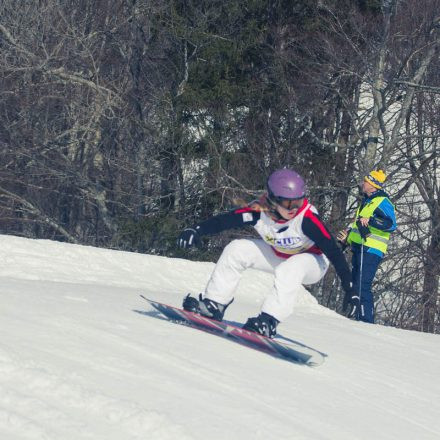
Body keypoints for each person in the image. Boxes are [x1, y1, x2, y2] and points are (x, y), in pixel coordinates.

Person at [176, 168, 355, 338]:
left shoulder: (306, 219)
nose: (294, 207)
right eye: (288, 202)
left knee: (292, 267)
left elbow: (334, 252)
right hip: (280, 255)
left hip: (313, 263)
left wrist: (350, 290)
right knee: (237, 249)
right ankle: (214, 303)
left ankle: (268, 321)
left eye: (298, 201)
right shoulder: (259, 210)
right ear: (273, 200)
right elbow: (226, 220)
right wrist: (196, 230)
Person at [337, 169, 397, 324]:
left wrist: (371, 220)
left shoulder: (382, 201)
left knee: (363, 284)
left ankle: (366, 320)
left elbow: (391, 224)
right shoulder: (366, 201)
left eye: (366, 181)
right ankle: (356, 317)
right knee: (355, 282)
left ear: (373, 185)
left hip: (372, 249)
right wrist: (347, 239)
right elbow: (359, 226)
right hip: (359, 247)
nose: (363, 183)